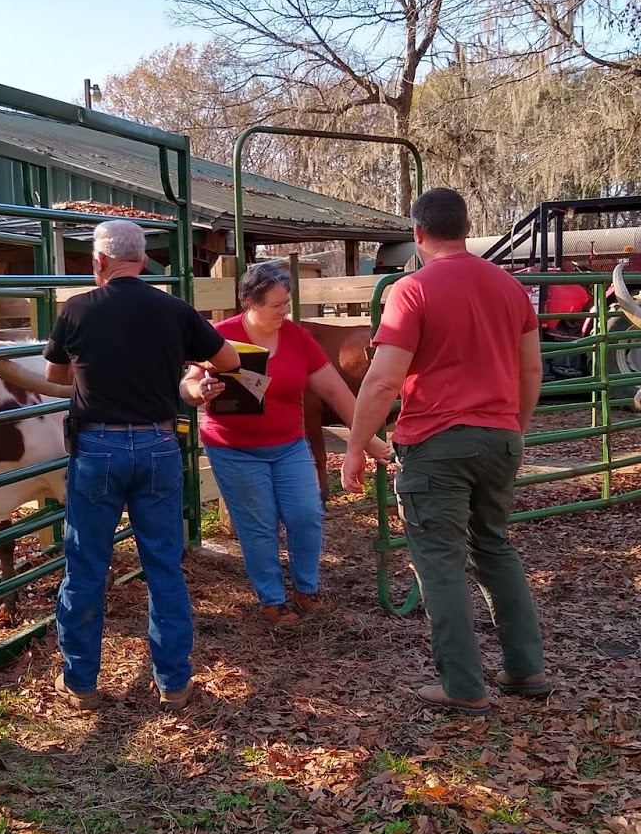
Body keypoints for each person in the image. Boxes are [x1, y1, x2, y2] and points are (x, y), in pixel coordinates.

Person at [341, 187, 553, 716]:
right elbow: (531, 370)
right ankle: (527, 667)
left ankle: (463, 684)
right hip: (501, 436)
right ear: (465, 228)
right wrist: (514, 429)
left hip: (436, 442)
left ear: (418, 235)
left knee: (439, 561)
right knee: (495, 547)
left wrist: (354, 447)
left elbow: (384, 379)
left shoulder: (411, 290)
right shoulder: (510, 288)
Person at [44, 220, 241, 712]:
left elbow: (54, 375)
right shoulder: (174, 310)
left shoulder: (77, 309)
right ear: (144, 259)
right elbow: (232, 359)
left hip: (96, 448)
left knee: (86, 565)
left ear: (99, 262)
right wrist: (194, 369)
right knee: (163, 565)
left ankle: (80, 683)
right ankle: (174, 682)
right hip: (157, 444)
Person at [187, 262, 390, 626]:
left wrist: (367, 438)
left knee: (306, 515)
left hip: (288, 445)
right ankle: (272, 601)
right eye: (276, 304)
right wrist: (200, 391)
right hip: (234, 449)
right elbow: (188, 385)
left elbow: (334, 389)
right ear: (250, 302)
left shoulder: (297, 338)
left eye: (287, 302)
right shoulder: (221, 336)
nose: (285, 311)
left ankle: (306, 590)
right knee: (259, 525)